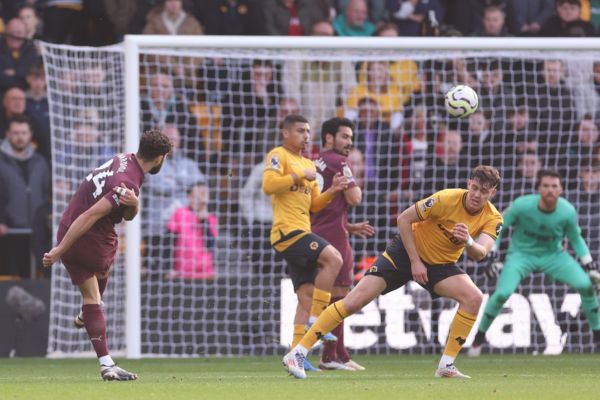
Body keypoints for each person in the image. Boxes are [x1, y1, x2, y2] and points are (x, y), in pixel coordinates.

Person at [283, 165, 503, 379]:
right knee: (354, 301)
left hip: (440, 265)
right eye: (474, 187)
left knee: (473, 297)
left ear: (492, 193)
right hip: (405, 253)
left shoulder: (493, 218)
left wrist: (468, 241)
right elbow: (404, 219)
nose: (476, 194)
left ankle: (446, 365)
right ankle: (298, 353)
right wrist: (415, 261)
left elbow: (480, 252)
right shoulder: (446, 198)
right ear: (468, 184)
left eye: (484, 191)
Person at [42, 130, 172, 381]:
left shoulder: (124, 159)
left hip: (68, 226)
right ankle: (107, 364)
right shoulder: (127, 182)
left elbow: (126, 213)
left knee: (100, 277)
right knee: (93, 296)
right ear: (160, 158)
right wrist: (58, 251)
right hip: (87, 235)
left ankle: (88, 319)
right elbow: (91, 215)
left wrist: (134, 204)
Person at [469, 170, 600, 355]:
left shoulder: (567, 211)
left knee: (586, 286)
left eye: (554, 186)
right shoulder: (522, 205)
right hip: (521, 255)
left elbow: (576, 239)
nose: (550, 190)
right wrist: (493, 254)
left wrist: (590, 264)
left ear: (561, 189)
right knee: (501, 294)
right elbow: (499, 225)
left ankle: (597, 335)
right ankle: (478, 339)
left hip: (554, 255)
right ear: (538, 188)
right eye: (546, 186)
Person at [262, 114, 348, 371]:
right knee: (334, 259)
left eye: (308, 131)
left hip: (302, 228)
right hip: (287, 232)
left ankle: (295, 357)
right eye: (300, 131)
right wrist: (300, 174)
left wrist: (332, 190)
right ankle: (319, 320)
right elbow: (268, 185)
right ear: (286, 133)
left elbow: (313, 205)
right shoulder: (279, 155)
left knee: (306, 296)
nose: (306, 135)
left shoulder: (307, 164)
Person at [312, 117, 375, 371]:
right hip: (335, 238)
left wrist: (349, 225)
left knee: (335, 297)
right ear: (329, 138)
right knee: (340, 298)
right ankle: (330, 356)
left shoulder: (316, 161)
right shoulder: (339, 161)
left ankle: (339, 353)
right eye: (344, 137)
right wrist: (353, 182)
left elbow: (322, 209)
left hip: (320, 231)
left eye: (350, 137)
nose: (349, 142)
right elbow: (355, 197)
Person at [0, 115, 50, 278]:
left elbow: (46, 194)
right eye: (15, 133)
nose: (20, 137)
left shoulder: (40, 161)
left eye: (23, 132)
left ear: (30, 135)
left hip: (36, 235)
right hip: (7, 233)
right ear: (7, 134)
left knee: (35, 280)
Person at [166, 182, 218, 280]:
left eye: (203, 196)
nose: (201, 200)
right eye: (197, 196)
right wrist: (169, 268)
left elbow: (210, 245)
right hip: (183, 272)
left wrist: (204, 221)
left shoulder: (211, 218)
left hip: (206, 273)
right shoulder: (179, 213)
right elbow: (168, 242)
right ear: (189, 196)